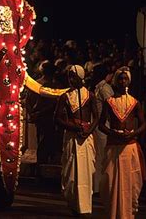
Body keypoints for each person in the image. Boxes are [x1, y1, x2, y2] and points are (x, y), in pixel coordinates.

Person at [99, 66, 146, 218]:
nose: (122, 81)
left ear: (129, 81)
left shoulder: (135, 102)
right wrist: (112, 133)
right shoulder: (109, 102)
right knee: (110, 182)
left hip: (129, 145)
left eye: (125, 79)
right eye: (120, 78)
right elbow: (101, 124)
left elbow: (143, 124)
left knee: (131, 182)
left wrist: (133, 133)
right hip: (114, 146)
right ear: (115, 81)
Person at [55, 65, 98, 216]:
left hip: (86, 139)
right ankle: (73, 205)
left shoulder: (90, 95)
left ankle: (85, 206)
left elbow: (96, 117)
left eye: (73, 76)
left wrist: (88, 131)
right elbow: (58, 118)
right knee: (71, 175)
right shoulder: (64, 96)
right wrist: (74, 127)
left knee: (86, 172)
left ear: (81, 77)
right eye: (69, 76)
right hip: (71, 137)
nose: (71, 79)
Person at [90, 62, 114, 194]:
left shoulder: (97, 87)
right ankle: (99, 186)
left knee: (98, 155)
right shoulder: (105, 88)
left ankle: (97, 185)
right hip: (103, 125)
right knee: (103, 156)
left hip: (97, 125)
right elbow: (112, 108)